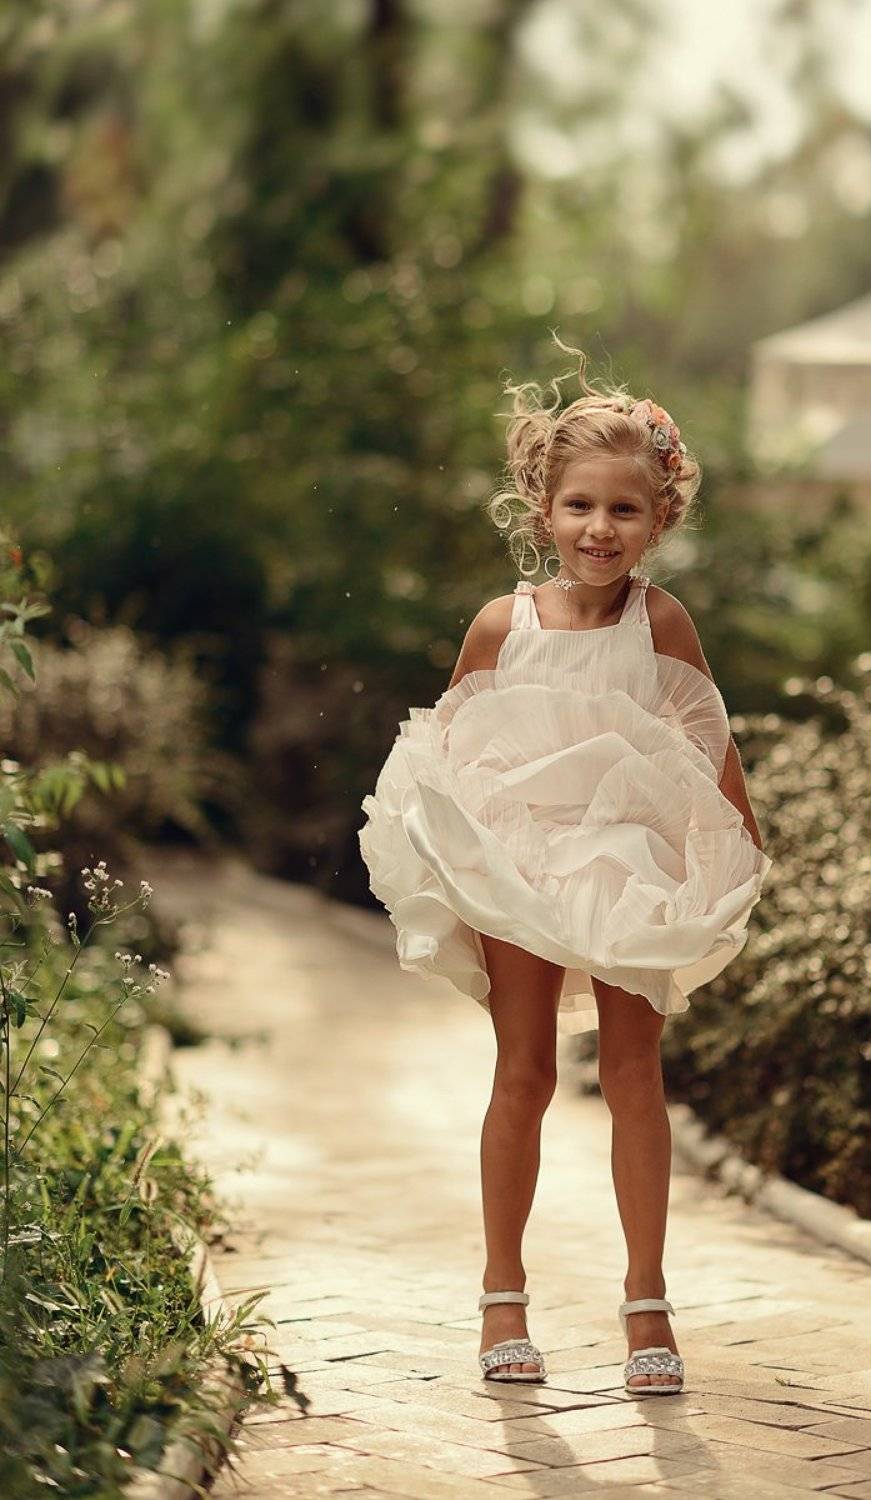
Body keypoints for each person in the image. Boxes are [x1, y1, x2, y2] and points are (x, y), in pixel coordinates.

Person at [359, 335, 772, 1396]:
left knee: (636, 1075)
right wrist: (441, 858)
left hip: (627, 867)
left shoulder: (661, 620)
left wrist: (737, 850)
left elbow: (702, 738)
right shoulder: (504, 624)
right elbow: (450, 746)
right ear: (543, 507)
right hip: (524, 868)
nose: (600, 529)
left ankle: (647, 1305)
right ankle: (503, 1294)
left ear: (659, 518)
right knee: (525, 1072)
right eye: (580, 505)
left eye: (624, 511)